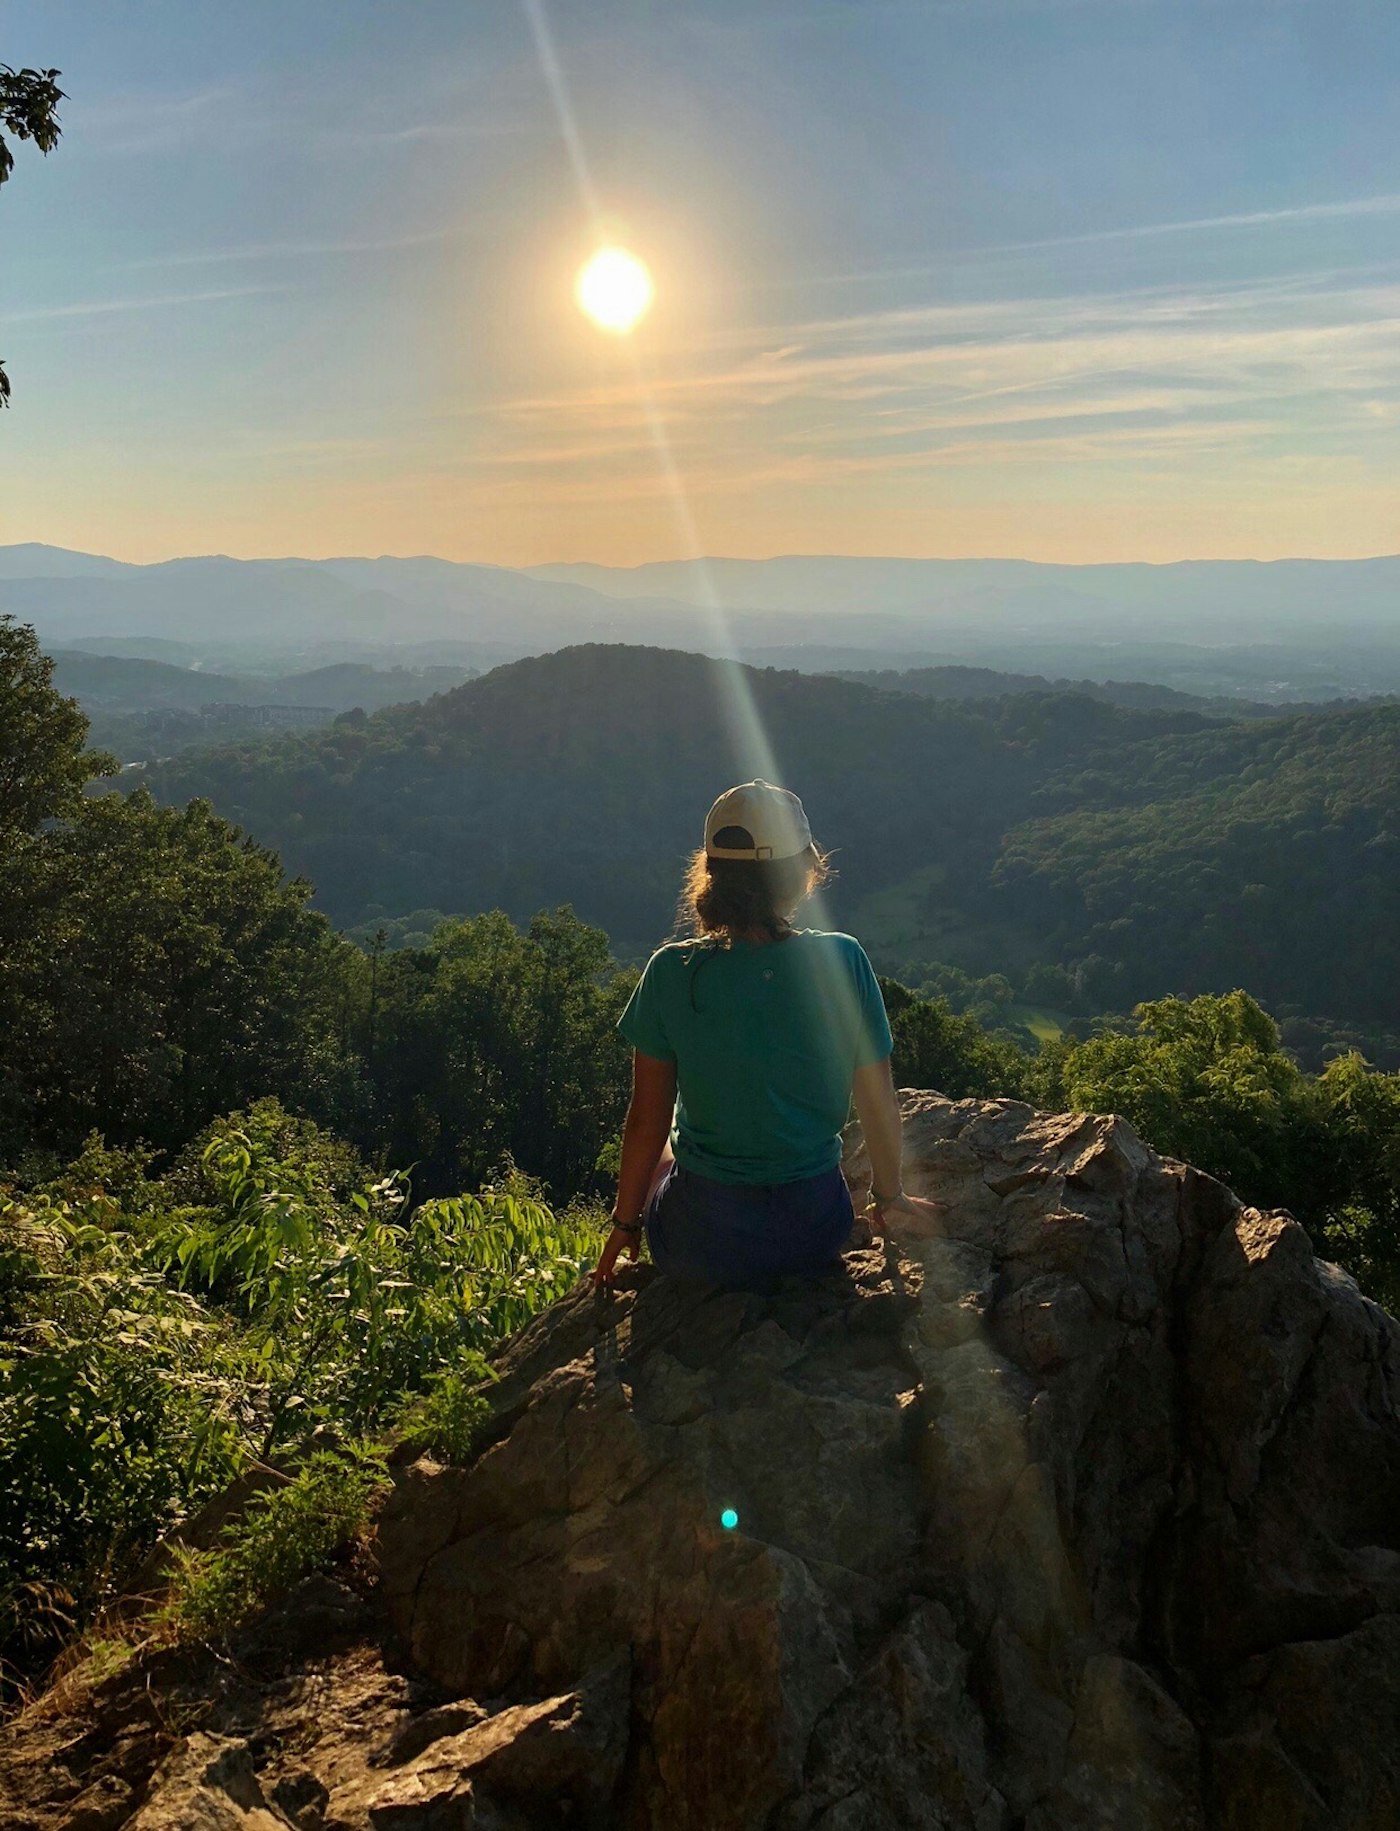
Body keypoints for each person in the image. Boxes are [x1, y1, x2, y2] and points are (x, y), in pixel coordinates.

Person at [593, 780, 941, 1289]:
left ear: (711, 873)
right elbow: (876, 1099)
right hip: (813, 1235)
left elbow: (646, 1118)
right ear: (799, 873)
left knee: (666, 1144)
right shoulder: (843, 960)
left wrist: (625, 1225)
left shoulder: (672, 971)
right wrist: (890, 1196)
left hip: (698, 1245)